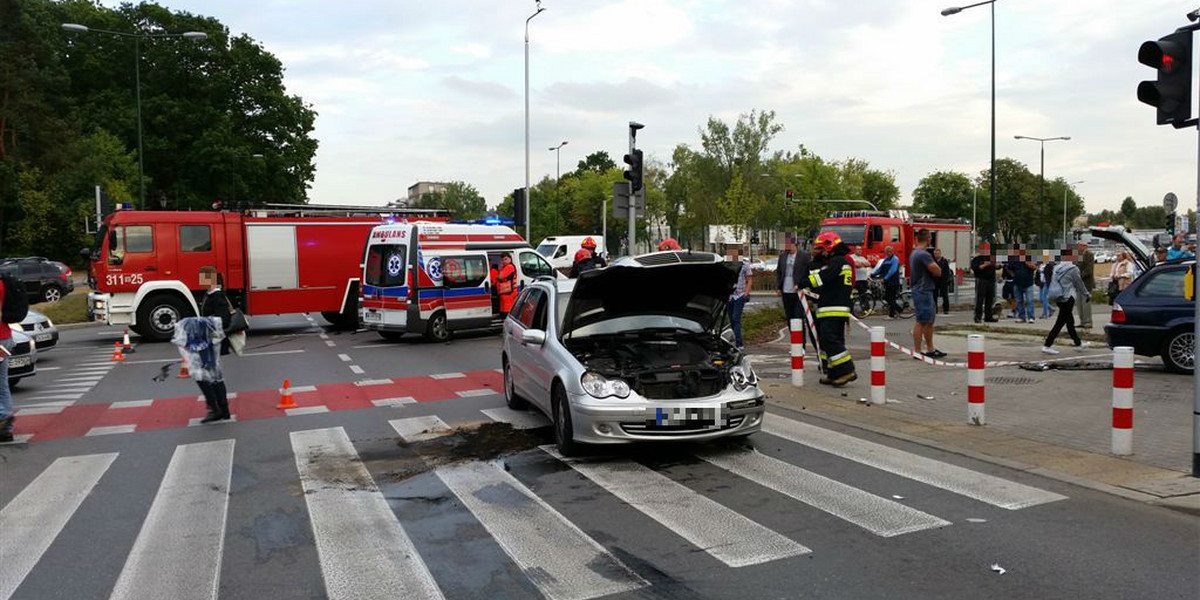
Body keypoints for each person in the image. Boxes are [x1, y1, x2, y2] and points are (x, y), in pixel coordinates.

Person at [806, 232, 856, 386]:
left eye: (822, 248)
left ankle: (847, 370)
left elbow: (822, 277)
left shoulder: (837, 262)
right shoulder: (840, 262)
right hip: (836, 307)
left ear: (829, 247)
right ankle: (834, 373)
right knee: (832, 340)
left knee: (829, 340)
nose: (821, 252)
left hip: (833, 308)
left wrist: (803, 282)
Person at [173, 315, 230, 423]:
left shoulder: (186, 324)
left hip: (204, 338)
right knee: (216, 376)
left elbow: (181, 341)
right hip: (210, 338)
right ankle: (223, 409)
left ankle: (215, 409)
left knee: (201, 376)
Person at [1042, 251, 1091, 354]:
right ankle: (1047, 345)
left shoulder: (1056, 268)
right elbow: (1079, 284)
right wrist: (1086, 294)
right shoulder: (1073, 269)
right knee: (1060, 323)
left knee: (1070, 323)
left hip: (1059, 297)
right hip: (1068, 297)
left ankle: (1078, 344)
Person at [910, 229, 944, 359]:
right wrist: (938, 270)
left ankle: (930, 349)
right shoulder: (923, 254)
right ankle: (918, 351)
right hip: (923, 290)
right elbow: (936, 270)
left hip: (921, 289)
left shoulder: (914, 253)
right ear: (929, 239)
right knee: (922, 321)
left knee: (929, 320)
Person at [199, 266, 233, 355]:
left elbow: (224, 319)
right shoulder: (208, 294)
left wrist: (207, 321)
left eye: (201, 277)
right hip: (212, 339)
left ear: (210, 279)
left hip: (219, 342)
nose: (199, 280)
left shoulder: (217, 295)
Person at [727, 246, 753, 349]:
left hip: (740, 295)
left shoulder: (744, 265)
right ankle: (734, 340)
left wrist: (746, 293)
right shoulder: (727, 264)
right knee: (731, 320)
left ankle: (739, 343)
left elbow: (749, 279)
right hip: (729, 296)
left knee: (736, 318)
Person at [0, 277, 13, 442]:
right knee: (2, 384)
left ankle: (3, 417)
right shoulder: (2, 282)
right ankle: (6, 429)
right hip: (5, 336)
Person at [871, 245, 901, 318]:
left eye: (890, 251)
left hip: (894, 281)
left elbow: (892, 270)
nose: (888, 253)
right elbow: (880, 269)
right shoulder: (886, 259)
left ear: (893, 252)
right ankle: (896, 311)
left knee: (890, 298)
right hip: (887, 281)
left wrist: (885, 278)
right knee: (887, 297)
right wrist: (873, 274)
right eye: (887, 252)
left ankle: (894, 313)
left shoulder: (895, 259)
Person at [970, 243, 998, 323]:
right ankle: (978, 317)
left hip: (991, 280)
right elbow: (975, 268)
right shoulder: (977, 259)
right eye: (984, 249)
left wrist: (995, 265)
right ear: (981, 250)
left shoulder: (991, 258)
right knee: (980, 299)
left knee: (990, 299)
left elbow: (998, 266)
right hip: (981, 280)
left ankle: (988, 316)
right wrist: (985, 265)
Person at [775, 236, 800, 321]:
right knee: (789, 315)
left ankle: (800, 334)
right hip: (785, 290)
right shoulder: (783, 256)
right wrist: (779, 287)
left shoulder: (803, 256)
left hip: (798, 290)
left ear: (795, 245)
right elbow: (779, 272)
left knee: (797, 316)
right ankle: (791, 332)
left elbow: (806, 271)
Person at [1009, 251, 1036, 323]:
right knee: (1019, 301)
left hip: (1028, 283)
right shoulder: (1015, 260)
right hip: (1017, 283)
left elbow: (1034, 267)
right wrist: (1013, 275)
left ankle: (1031, 317)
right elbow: (1009, 268)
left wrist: (1029, 264)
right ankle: (1021, 317)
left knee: (1029, 300)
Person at [1076, 241, 1095, 329]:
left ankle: (1088, 322)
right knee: (1079, 303)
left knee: (1086, 303)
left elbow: (1089, 269)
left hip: (1086, 283)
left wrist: (1079, 276)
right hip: (1078, 284)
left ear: (1084, 246)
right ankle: (1082, 321)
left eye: (1079, 245)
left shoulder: (1089, 254)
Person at [851, 245, 873, 314]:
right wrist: (863, 264)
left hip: (863, 279)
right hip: (856, 279)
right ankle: (852, 309)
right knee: (855, 295)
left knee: (864, 295)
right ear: (854, 250)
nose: (860, 251)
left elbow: (869, 264)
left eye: (861, 249)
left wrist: (861, 264)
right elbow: (856, 265)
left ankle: (866, 309)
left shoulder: (863, 258)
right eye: (858, 249)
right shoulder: (852, 257)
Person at [933, 248, 952, 315]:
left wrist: (946, 279)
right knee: (934, 296)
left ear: (940, 254)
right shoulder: (932, 261)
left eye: (938, 253)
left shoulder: (944, 261)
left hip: (943, 281)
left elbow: (947, 271)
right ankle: (934, 310)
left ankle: (946, 309)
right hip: (935, 280)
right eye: (935, 253)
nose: (936, 255)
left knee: (945, 295)